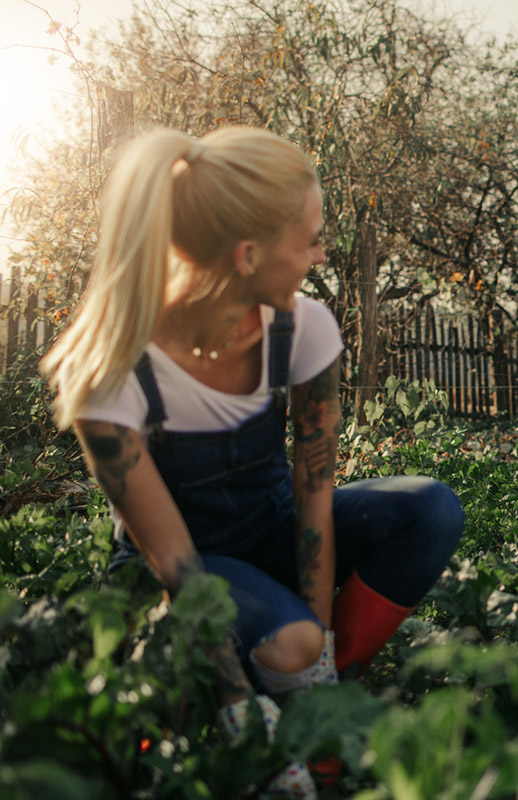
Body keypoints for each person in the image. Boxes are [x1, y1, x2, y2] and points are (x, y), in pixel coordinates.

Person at [41, 126, 464, 798]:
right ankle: (237, 700)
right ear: (246, 255)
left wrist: (322, 647)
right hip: (178, 574)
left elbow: (315, 488)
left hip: (267, 530)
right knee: (286, 644)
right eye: (310, 240)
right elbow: (172, 557)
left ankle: (317, 705)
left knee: (431, 510)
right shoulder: (112, 374)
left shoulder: (302, 327)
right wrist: (239, 702)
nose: (320, 255)